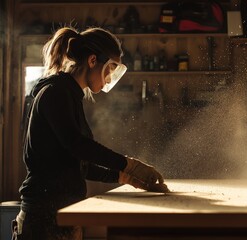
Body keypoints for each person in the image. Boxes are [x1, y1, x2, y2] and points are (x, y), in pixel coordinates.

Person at [12, 26, 167, 240]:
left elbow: (77, 165)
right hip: (42, 216)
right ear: (93, 61)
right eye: (110, 70)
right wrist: (129, 164)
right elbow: (77, 145)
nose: (109, 79)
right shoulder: (55, 93)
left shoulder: (70, 95)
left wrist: (123, 177)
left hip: (62, 213)